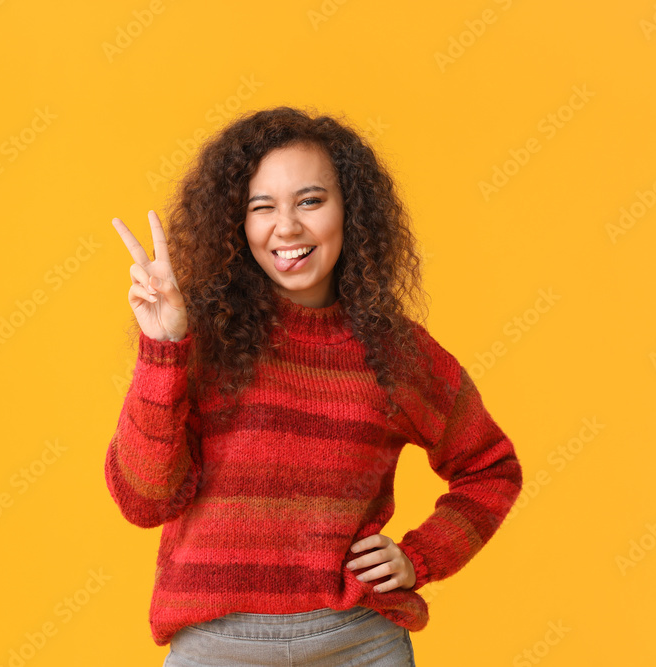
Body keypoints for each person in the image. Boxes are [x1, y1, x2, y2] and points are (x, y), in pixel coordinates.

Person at [105, 106, 523, 666]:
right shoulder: (197, 343)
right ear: (237, 224)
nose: (287, 227)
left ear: (351, 211)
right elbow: (144, 500)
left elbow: (489, 466)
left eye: (310, 200)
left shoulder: (397, 353)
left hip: (358, 644)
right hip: (218, 650)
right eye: (262, 207)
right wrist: (163, 348)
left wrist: (420, 558)